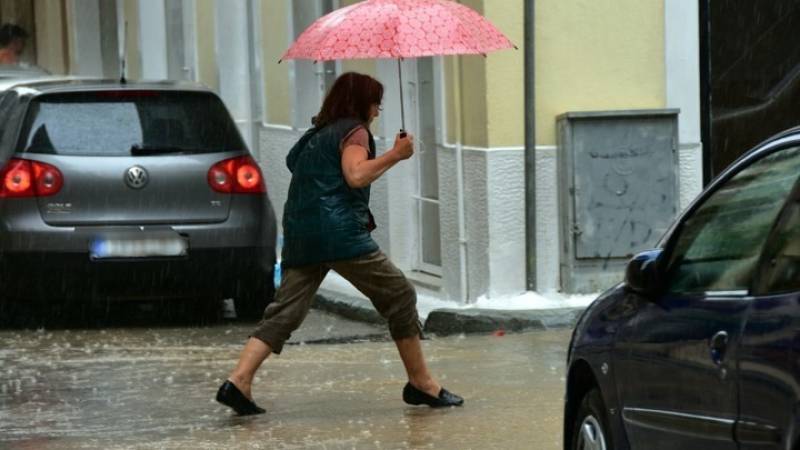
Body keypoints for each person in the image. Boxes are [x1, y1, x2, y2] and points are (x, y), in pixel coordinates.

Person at [216, 72, 463, 415]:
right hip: (340, 234)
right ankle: (421, 383)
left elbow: (295, 164)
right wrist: (396, 154)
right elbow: (356, 175)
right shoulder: (354, 131)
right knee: (401, 295)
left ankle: (238, 381)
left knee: (285, 312)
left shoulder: (317, 134)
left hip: (303, 235)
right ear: (361, 102)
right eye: (375, 102)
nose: (377, 110)